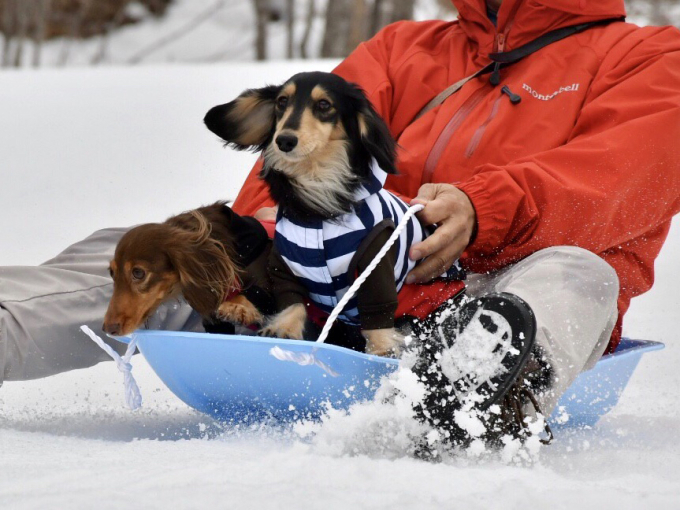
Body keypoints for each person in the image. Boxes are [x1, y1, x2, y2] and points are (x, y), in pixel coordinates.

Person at [1, 0, 679, 446]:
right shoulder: (402, 50)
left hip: (484, 296)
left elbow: (624, 176)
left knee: (578, 275)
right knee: (154, 248)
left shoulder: (647, 59)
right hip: (327, 289)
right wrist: (259, 242)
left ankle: (472, 399)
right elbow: (292, 152)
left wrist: (482, 209)